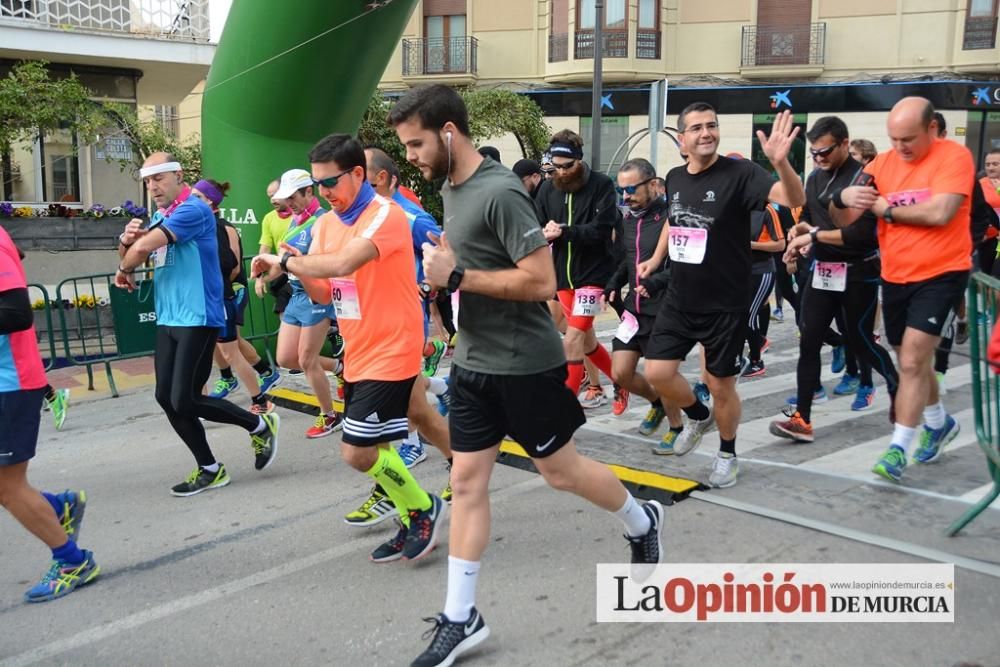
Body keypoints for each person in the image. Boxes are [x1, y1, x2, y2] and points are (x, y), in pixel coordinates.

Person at [390, 83, 663, 667]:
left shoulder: (500, 192)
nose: (410, 156)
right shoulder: (450, 187)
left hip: (524, 365)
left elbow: (540, 283)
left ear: (447, 132)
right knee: (466, 483)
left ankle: (642, 520)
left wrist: (458, 276)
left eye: (415, 144)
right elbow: (473, 263)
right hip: (472, 363)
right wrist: (443, 269)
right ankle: (462, 618)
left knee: (561, 473)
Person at [252, 134, 445, 563]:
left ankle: (423, 507)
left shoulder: (386, 216)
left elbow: (344, 264)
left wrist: (287, 262)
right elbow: (325, 292)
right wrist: (288, 270)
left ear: (358, 174)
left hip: (394, 344)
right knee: (398, 434)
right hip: (358, 347)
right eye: (318, 185)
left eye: (331, 183)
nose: (324, 194)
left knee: (357, 451)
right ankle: (424, 502)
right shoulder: (323, 225)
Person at [638, 103, 806, 487]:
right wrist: (655, 258)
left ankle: (727, 454)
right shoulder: (675, 177)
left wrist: (781, 162)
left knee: (720, 385)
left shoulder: (742, 174)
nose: (706, 133)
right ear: (682, 140)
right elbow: (674, 219)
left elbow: (794, 199)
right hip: (680, 297)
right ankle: (698, 416)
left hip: (725, 303)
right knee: (658, 371)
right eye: (696, 128)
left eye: (712, 125)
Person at [115, 153, 280, 495]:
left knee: (186, 398)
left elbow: (145, 248)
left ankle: (258, 424)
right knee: (166, 397)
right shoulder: (162, 215)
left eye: (159, 178)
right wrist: (124, 243)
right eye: (147, 181)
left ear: (178, 175)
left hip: (199, 316)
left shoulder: (193, 209)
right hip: (169, 317)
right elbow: (136, 250)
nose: (153, 187)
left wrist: (128, 260)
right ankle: (209, 467)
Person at [832, 97, 972, 482]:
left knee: (911, 360)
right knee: (909, 359)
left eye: (908, 138)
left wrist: (886, 210)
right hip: (895, 275)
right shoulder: (883, 163)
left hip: (942, 273)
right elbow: (846, 210)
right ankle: (939, 423)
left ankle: (898, 447)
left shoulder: (953, 158)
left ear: (931, 129)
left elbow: (940, 212)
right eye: (893, 139)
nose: (900, 147)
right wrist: (842, 196)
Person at [770, 116, 899, 443]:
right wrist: (799, 234)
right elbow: (811, 217)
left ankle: (899, 387)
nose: (818, 158)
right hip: (822, 271)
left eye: (825, 152)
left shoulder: (865, 180)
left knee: (861, 341)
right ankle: (802, 418)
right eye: (813, 153)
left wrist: (810, 234)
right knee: (809, 339)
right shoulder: (814, 178)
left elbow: (860, 235)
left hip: (859, 273)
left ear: (844, 144)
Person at [0, 224, 99, 602]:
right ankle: (58, 505)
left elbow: (16, 313)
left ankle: (74, 562)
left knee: (8, 487)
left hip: (11, 381)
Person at [535, 129, 618, 408]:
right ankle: (622, 382)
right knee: (587, 343)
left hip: (594, 276)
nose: (561, 172)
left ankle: (563, 409)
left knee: (572, 339)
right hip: (563, 278)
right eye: (555, 167)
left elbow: (602, 229)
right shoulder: (547, 188)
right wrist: (543, 232)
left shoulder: (602, 184)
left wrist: (564, 232)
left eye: (567, 166)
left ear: (579, 161)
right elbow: (536, 224)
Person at [606, 158, 683, 446]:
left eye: (631, 189)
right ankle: (657, 404)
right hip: (633, 310)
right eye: (621, 190)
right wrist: (613, 283)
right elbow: (627, 260)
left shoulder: (670, 218)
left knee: (662, 376)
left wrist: (655, 282)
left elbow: (679, 265)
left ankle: (676, 428)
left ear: (653, 185)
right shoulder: (627, 219)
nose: (625, 196)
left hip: (663, 309)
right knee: (620, 372)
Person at [191, 178, 278, 415]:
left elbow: (231, 266)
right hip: (209, 299)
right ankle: (201, 403)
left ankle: (260, 398)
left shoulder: (220, 227)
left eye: (196, 197)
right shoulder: (201, 225)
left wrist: (209, 280)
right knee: (209, 349)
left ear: (210, 201)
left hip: (226, 295)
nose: (190, 200)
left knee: (231, 349)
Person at [269, 168, 343, 438]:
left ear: (309, 192)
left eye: (293, 197)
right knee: (285, 358)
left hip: (317, 294)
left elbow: (330, 262)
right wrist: (265, 274)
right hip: (296, 294)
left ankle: (330, 415)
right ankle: (339, 368)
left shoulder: (324, 221)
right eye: (285, 198)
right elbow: (283, 258)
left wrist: (301, 263)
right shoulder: (296, 219)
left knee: (306, 358)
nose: (288, 203)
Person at [743, 203, 785, 377]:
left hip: (762, 271)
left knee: (748, 317)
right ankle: (756, 344)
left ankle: (756, 361)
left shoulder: (767, 210)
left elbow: (780, 244)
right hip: (740, 271)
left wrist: (751, 244)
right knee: (738, 316)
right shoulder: (736, 207)